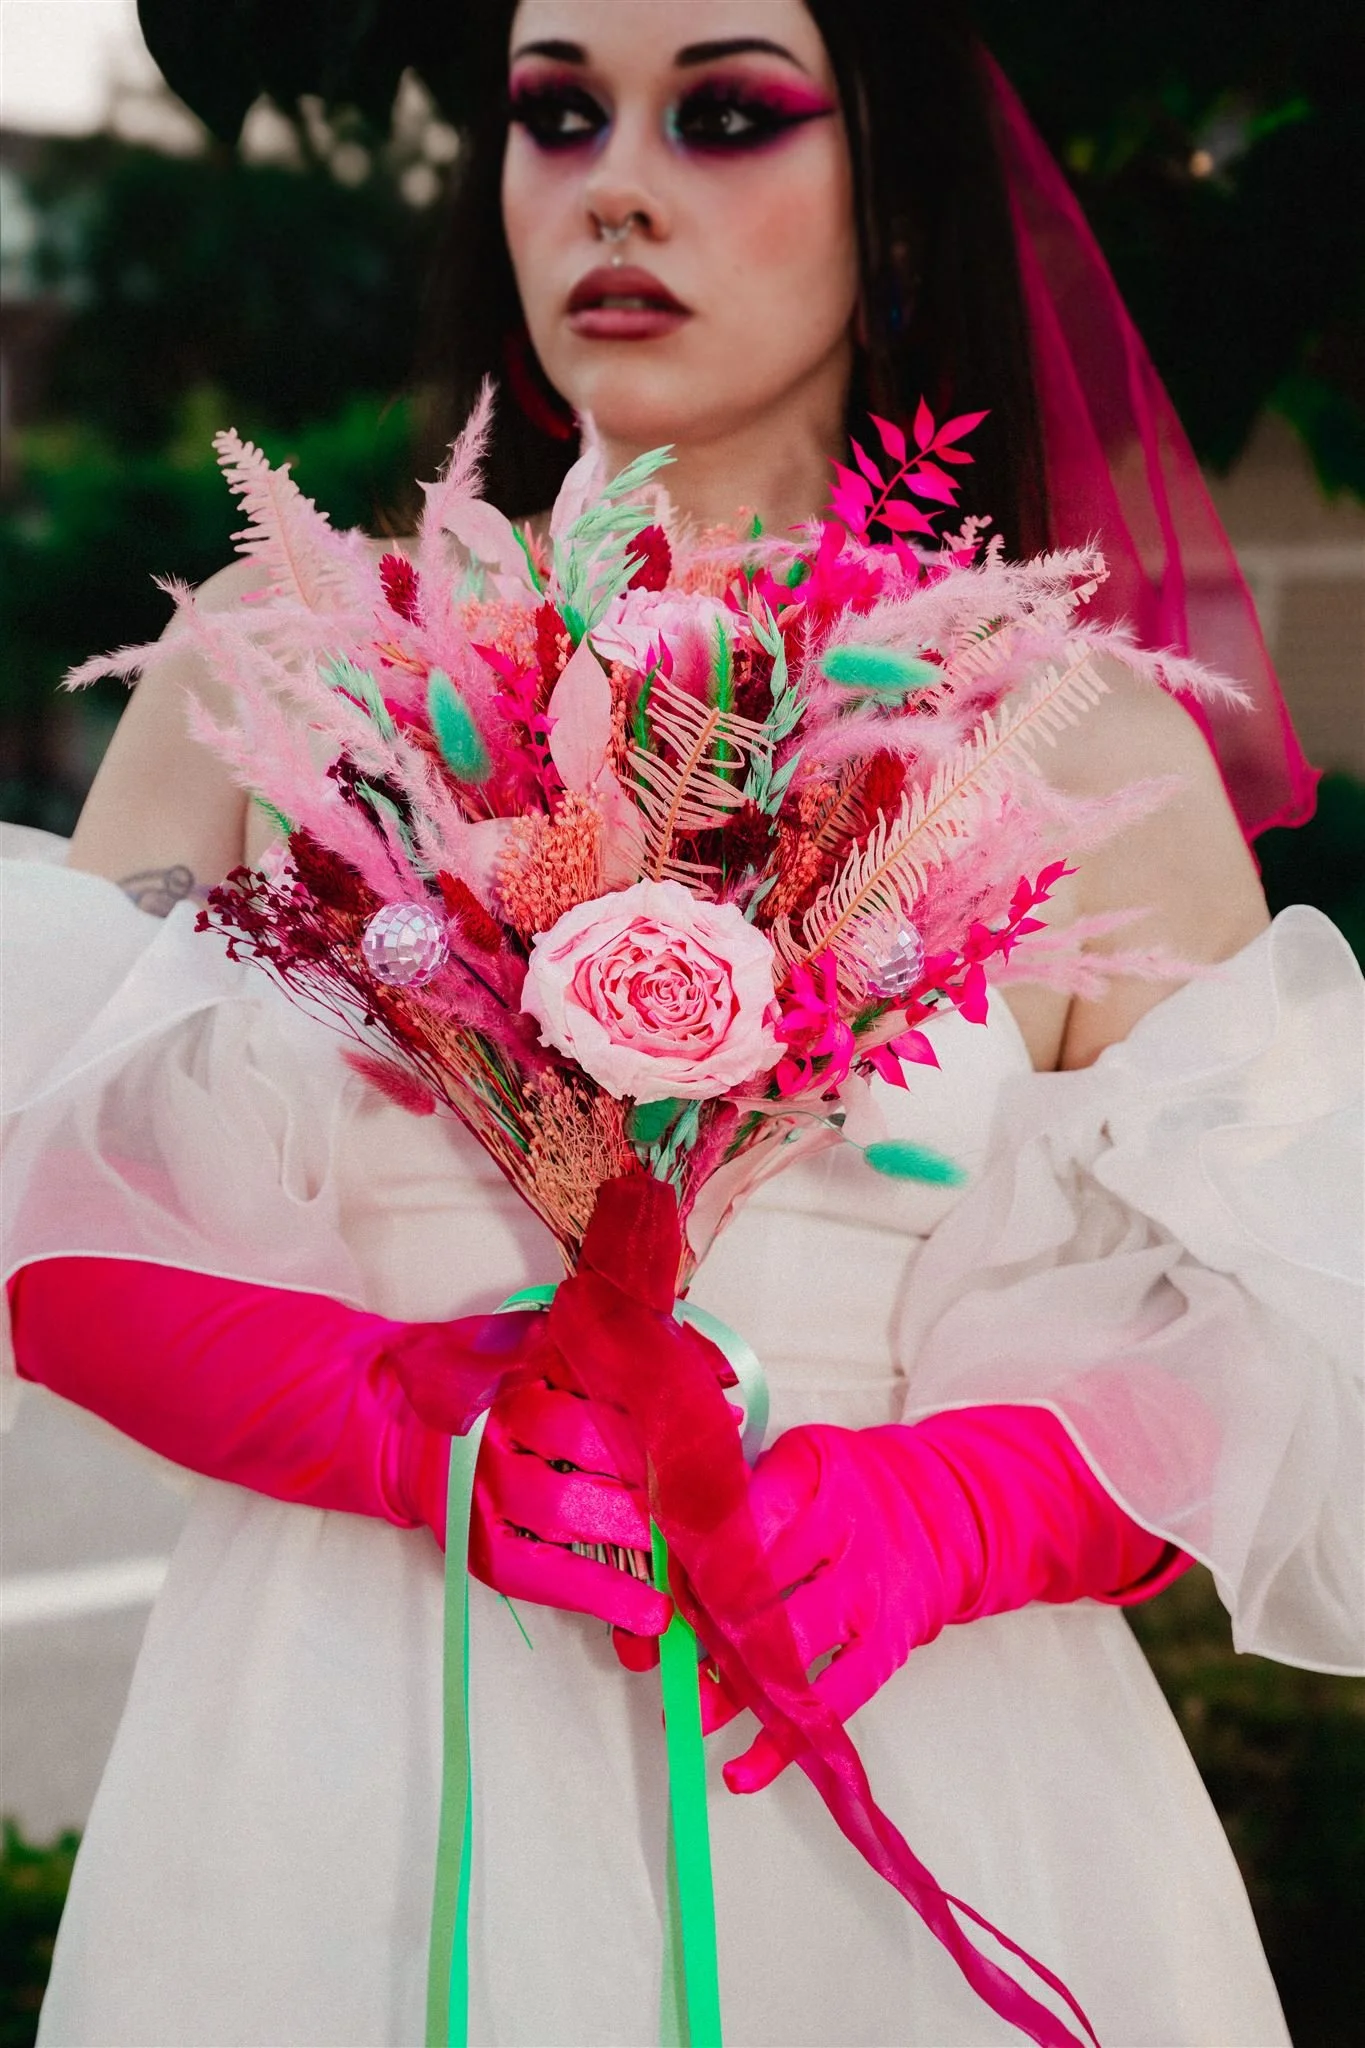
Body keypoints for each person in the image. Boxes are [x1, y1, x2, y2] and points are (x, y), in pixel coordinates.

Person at [2, 4, 1360, 2044]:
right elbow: (38, 1193)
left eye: (722, 113)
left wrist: (952, 1511)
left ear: (893, 205)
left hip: (892, 1767)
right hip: (338, 1780)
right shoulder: (275, 670)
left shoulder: (1085, 745)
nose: (613, 181)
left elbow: (1265, 1339)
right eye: (557, 113)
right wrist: (373, 1415)